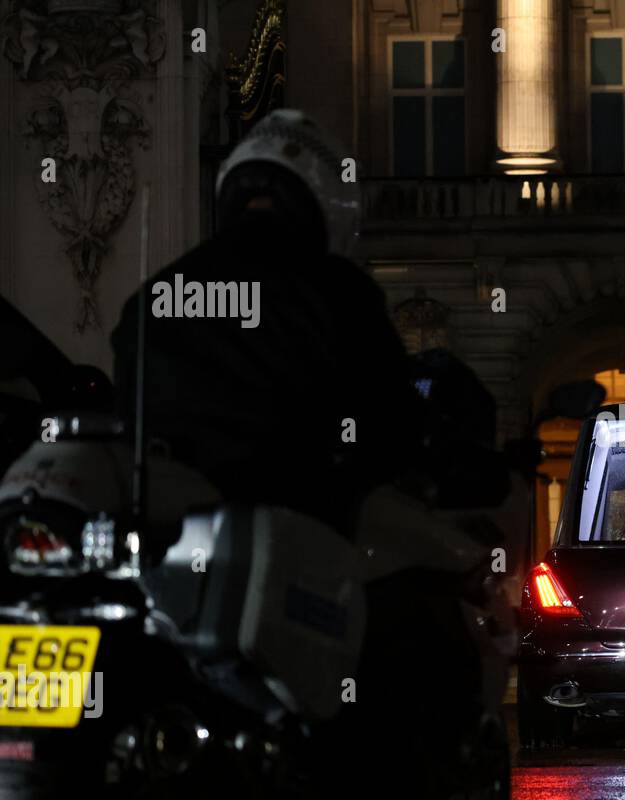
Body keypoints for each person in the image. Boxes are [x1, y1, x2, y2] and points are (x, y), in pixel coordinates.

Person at [111, 110, 426, 534]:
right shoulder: (336, 289)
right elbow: (392, 425)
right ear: (331, 203)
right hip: (295, 542)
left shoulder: (150, 298)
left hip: (169, 545)